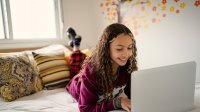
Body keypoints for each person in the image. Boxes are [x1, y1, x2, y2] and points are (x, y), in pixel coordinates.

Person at [66, 23, 138, 112]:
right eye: (119, 49)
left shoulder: (128, 67)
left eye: (130, 48)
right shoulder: (91, 72)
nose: (126, 54)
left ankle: (75, 44)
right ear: (106, 49)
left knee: (81, 62)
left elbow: (132, 94)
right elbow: (85, 109)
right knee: (75, 67)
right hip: (76, 84)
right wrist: (117, 103)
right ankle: (75, 44)